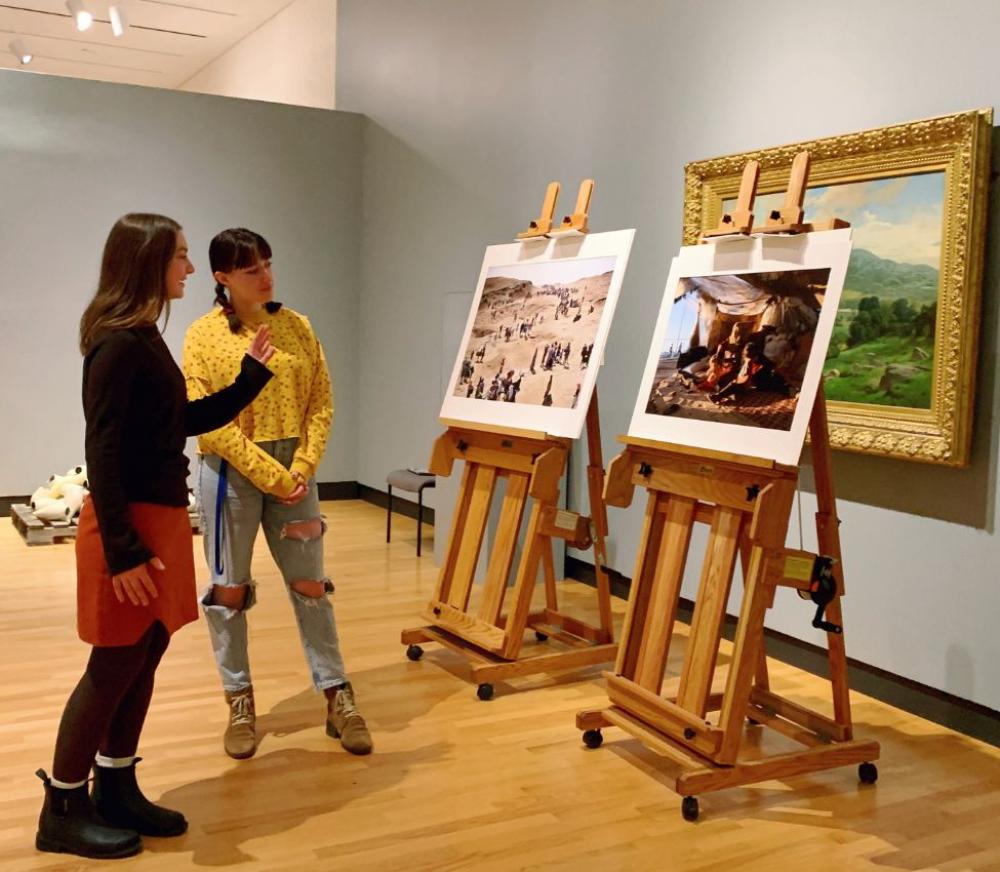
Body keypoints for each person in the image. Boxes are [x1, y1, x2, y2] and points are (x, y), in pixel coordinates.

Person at [35, 214, 275, 860]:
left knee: (146, 652)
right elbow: (103, 449)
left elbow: (178, 422)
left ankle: (116, 785)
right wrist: (123, 551)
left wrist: (249, 380)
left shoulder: (143, 338)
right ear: (147, 263)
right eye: (181, 258)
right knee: (112, 663)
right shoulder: (117, 344)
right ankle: (62, 805)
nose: (190, 271)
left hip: (160, 517)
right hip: (130, 526)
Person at [182, 228, 371, 762]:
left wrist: (302, 466)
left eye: (268, 263)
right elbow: (207, 423)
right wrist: (273, 474)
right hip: (229, 473)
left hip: (296, 476)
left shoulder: (297, 326)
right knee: (229, 591)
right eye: (251, 270)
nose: (266, 276)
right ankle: (239, 700)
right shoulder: (202, 335)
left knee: (311, 585)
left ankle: (338, 695)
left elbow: (322, 402)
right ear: (222, 278)